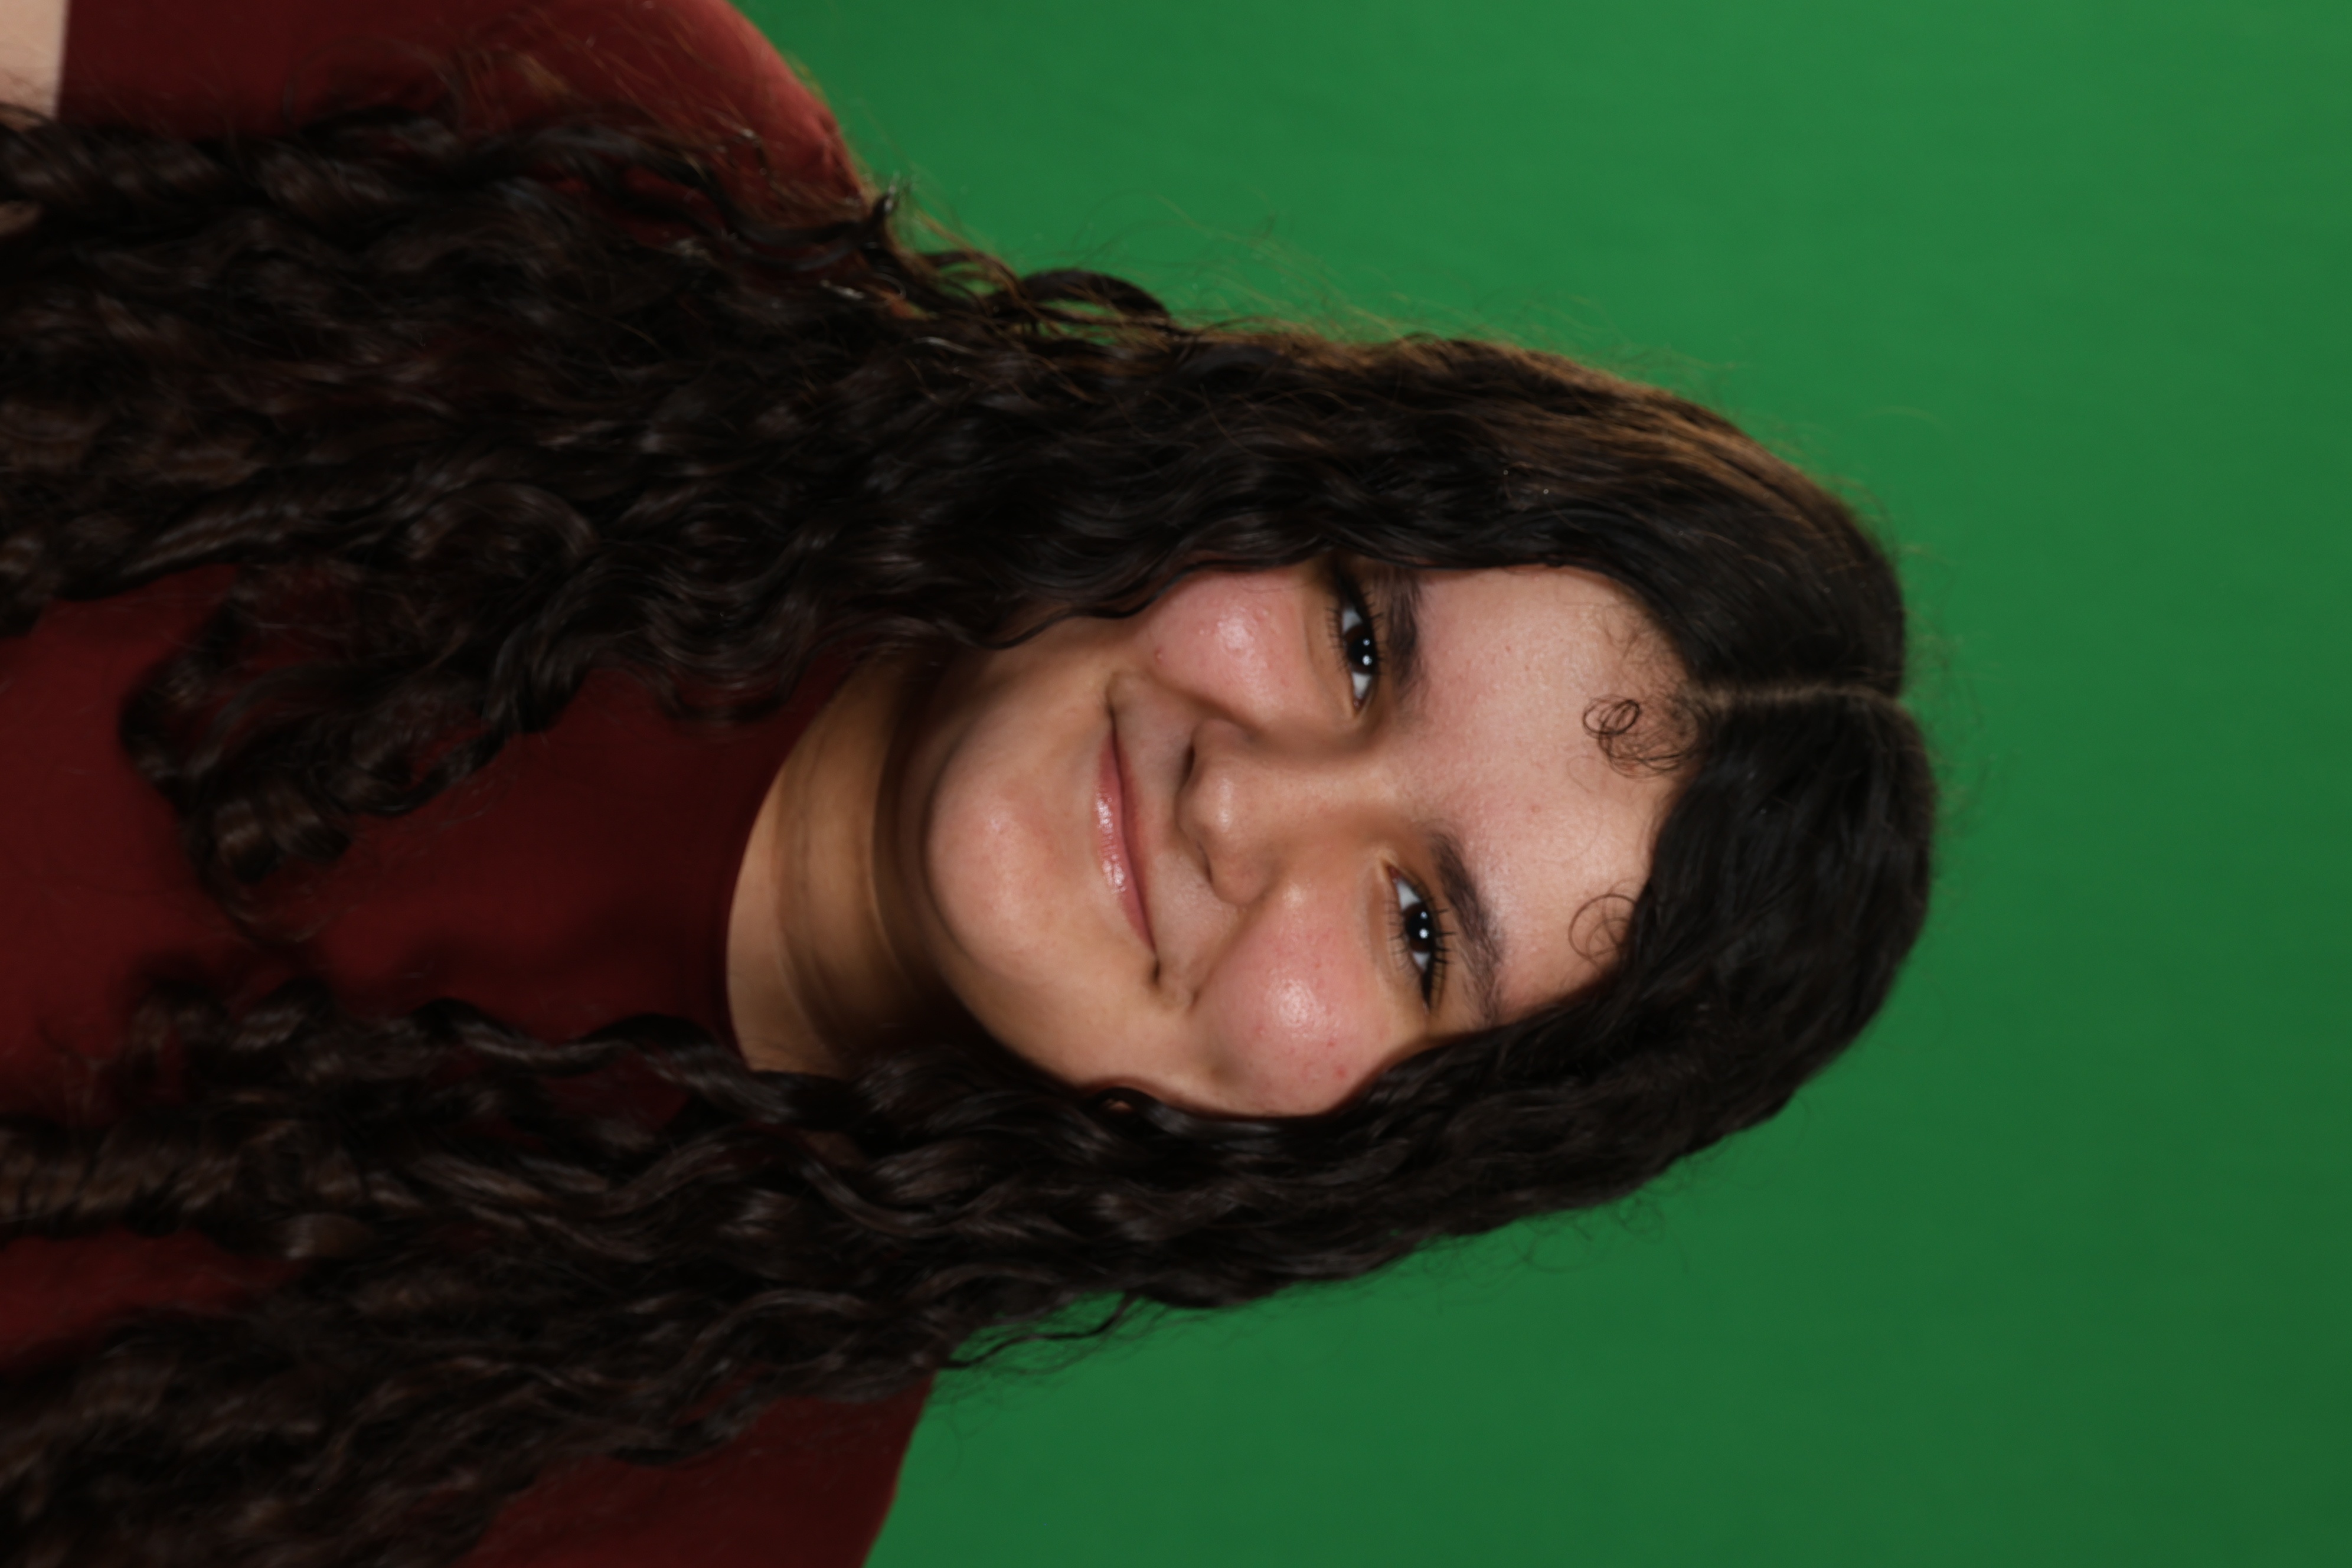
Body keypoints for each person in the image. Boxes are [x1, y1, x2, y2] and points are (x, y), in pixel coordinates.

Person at [0, 1, 1938, 1564]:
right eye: (1358, 642)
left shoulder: (677, 1506)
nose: (1246, 803)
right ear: (1273, 474)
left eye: (1421, 927)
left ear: (1389, 1143)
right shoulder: (609, 171)